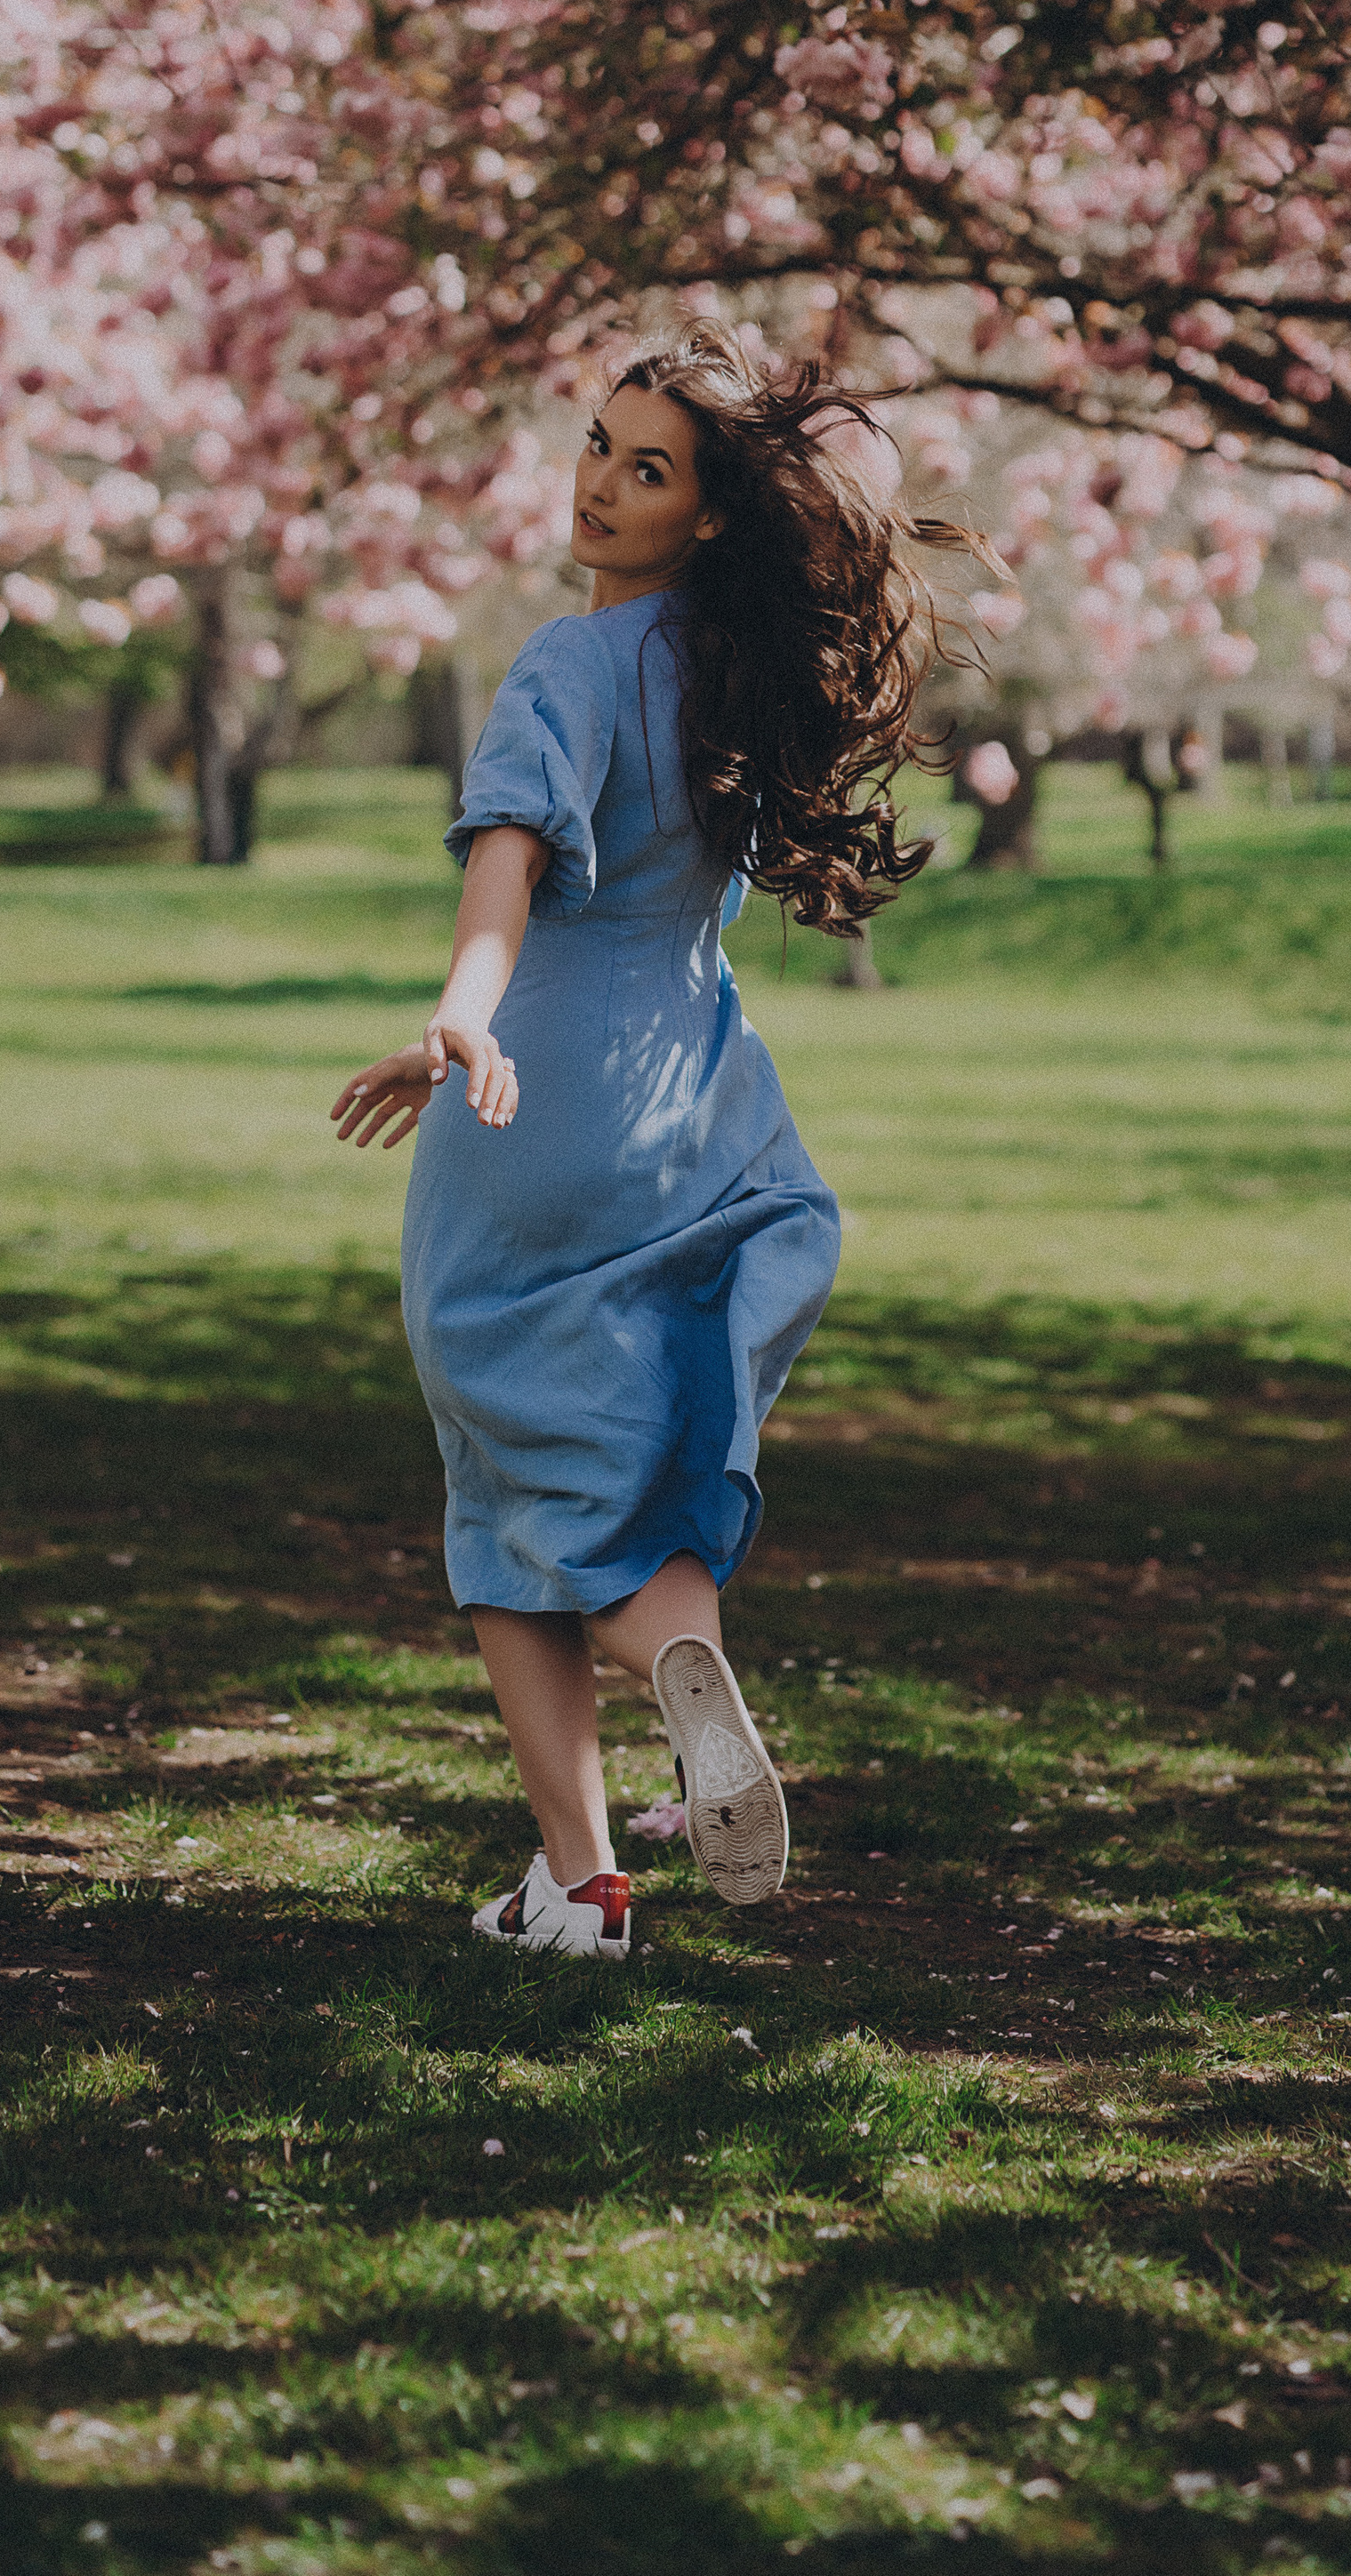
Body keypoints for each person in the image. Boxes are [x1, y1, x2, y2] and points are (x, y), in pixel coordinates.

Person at [330, 331, 984, 1958]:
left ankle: (586, 1863)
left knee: (506, 1485)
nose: (599, 487)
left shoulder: (569, 660)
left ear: (706, 516)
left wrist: (460, 1013)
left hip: (535, 1089)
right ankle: (653, 1713)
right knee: (635, 1454)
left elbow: (511, 861)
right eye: (598, 447)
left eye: (646, 469)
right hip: (694, 1095)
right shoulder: (735, 670)